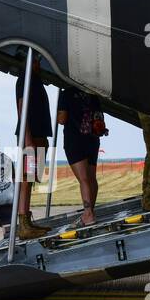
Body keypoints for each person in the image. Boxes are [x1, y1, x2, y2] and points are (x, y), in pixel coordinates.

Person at [56, 87, 106, 227]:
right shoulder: (92, 93)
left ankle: (88, 214)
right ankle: (90, 212)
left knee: (83, 179)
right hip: (92, 139)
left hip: (75, 139)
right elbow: (99, 118)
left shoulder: (67, 93)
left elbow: (62, 119)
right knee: (91, 178)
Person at [14, 68, 51, 239]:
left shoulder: (36, 78)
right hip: (31, 135)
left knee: (32, 177)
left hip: (39, 135)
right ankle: (23, 224)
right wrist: (27, 139)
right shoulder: (25, 76)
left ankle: (26, 220)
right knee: (26, 178)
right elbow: (21, 107)